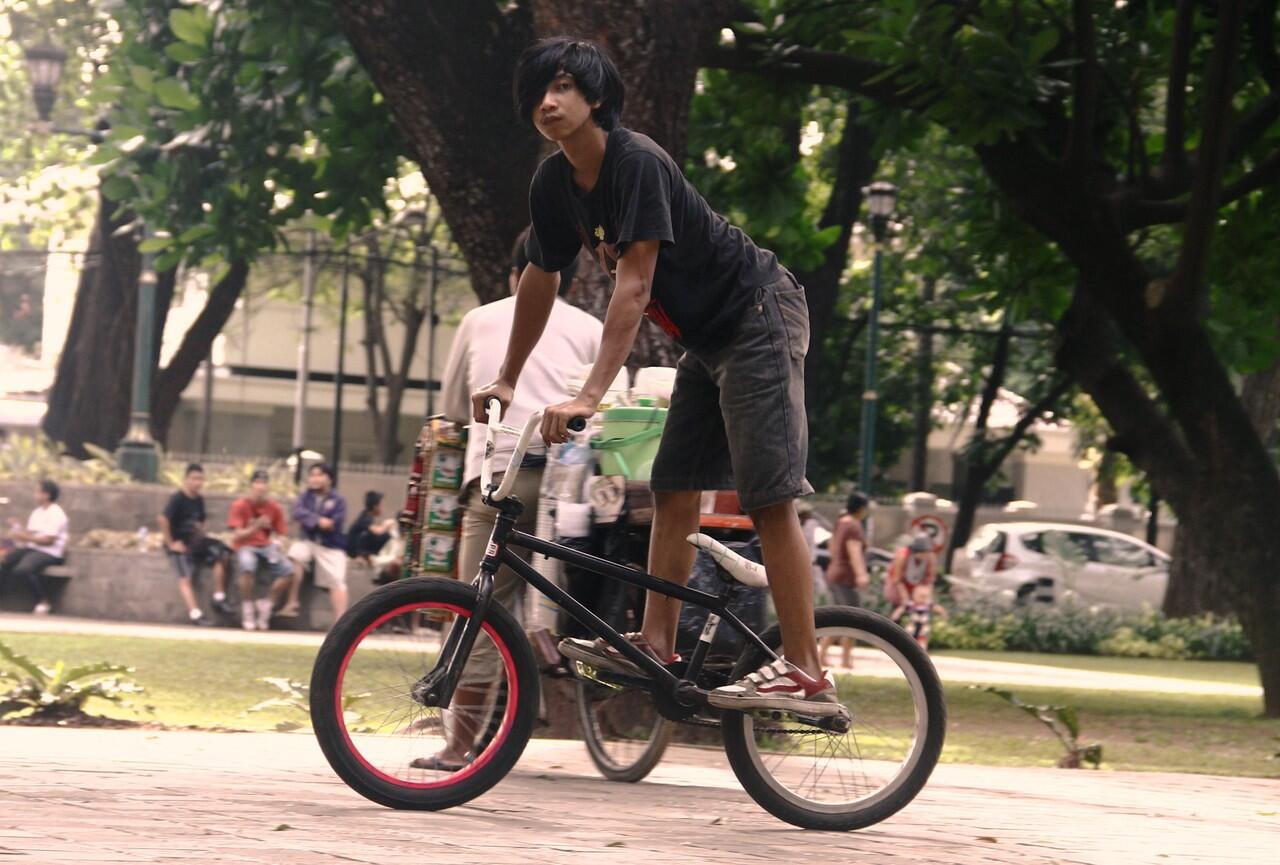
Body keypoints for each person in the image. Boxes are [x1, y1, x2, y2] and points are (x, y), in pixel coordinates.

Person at [474, 37, 838, 716]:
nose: (547, 103)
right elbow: (538, 278)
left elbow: (633, 287)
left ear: (597, 98)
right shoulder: (554, 183)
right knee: (672, 488)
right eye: (537, 93)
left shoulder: (635, 161)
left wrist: (588, 393)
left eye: (562, 88)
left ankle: (806, 669)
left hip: (757, 314)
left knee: (769, 496)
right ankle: (658, 641)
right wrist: (506, 376)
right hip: (706, 338)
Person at [416, 228, 599, 770]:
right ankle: (554, 649)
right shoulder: (590, 328)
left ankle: (458, 747)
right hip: (576, 487)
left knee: (477, 610)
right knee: (564, 592)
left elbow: (455, 407)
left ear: (514, 274)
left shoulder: (480, 320)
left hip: (502, 478)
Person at [159, 463, 232, 626]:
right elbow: (163, 519)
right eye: (194, 479)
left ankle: (219, 597)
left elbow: (202, 520)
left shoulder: (199, 500)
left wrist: (201, 532)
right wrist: (171, 544)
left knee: (223, 552)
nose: (198, 482)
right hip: (180, 544)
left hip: (195, 542)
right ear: (186, 479)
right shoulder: (177, 499)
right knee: (186, 577)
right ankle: (195, 614)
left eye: (200, 479)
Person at [227, 469, 295, 630]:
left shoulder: (274, 507)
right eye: (257, 483)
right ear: (251, 485)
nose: (260, 487)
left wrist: (279, 542)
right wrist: (256, 526)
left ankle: (267, 605)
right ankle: (248, 609)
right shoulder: (240, 505)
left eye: (264, 483)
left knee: (288, 571)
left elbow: (282, 533)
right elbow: (237, 535)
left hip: (266, 546)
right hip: (245, 545)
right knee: (247, 567)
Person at [288, 463, 349, 620]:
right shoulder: (305, 496)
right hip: (308, 541)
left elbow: (333, 524)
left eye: (319, 475)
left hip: (330, 545)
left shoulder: (338, 500)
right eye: (312, 475)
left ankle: (340, 622)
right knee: (295, 554)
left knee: (337, 581)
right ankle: (292, 601)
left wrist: (311, 520)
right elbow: (297, 512)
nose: (315, 479)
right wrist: (317, 520)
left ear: (329, 479)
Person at [0, 480, 68, 615]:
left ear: (47, 495)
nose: (35, 495)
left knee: (25, 568)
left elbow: (48, 541)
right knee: (4, 560)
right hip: (32, 549)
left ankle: (43, 602)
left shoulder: (57, 514)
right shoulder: (37, 512)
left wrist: (24, 538)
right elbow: (30, 533)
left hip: (50, 553)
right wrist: (17, 529)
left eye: (38, 492)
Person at [820, 492, 870, 669]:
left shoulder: (841, 522)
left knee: (838, 617)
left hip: (834, 573)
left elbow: (832, 546)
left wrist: (838, 563)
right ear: (862, 508)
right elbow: (854, 552)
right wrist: (861, 574)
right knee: (852, 618)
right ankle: (846, 659)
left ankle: (822, 655)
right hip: (845, 578)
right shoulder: (854, 526)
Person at [346, 490, 401, 585]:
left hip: (361, 548)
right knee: (384, 535)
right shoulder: (365, 517)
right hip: (354, 550)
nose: (383, 508)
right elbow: (377, 531)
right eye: (381, 505)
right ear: (375, 506)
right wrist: (386, 524)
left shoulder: (368, 517)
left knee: (386, 536)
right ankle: (364, 556)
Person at [890, 581, 947, 651]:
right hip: (913, 624)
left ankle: (921, 651)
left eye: (925, 597)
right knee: (908, 637)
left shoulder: (928, 605)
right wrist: (896, 614)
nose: (922, 599)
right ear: (914, 595)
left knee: (923, 639)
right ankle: (906, 649)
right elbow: (902, 608)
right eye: (920, 596)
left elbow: (938, 608)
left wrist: (943, 613)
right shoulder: (911, 604)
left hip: (924, 625)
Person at [885, 533, 939, 608]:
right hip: (899, 586)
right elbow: (896, 579)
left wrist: (928, 598)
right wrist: (905, 598)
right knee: (899, 606)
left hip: (918, 587)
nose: (924, 556)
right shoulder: (902, 555)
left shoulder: (930, 557)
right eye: (922, 553)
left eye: (926, 553)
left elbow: (930, 579)